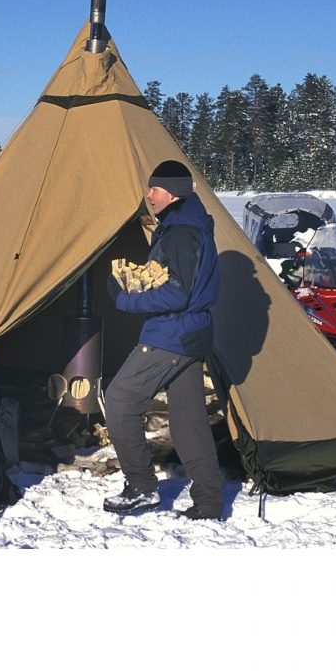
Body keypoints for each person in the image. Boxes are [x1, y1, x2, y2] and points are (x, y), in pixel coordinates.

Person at [102, 160, 225, 520]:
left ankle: (141, 487)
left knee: (120, 399)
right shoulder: (187, 225)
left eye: (155, 189)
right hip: (193, 334)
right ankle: (209, 501)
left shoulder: (182, 233)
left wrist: (124, 298)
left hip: (172, 333)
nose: (149, 195)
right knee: (189, 421)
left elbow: (176, 294)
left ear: (174, 193)